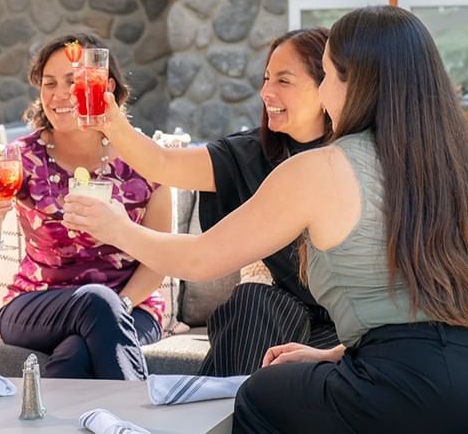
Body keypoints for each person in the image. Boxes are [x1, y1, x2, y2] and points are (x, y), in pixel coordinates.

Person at [64, 6, 468, 433]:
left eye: (326, 74)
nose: (324, 90)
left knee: (259, 394)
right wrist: (336, 355)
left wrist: (116, 228)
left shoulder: (324, 167)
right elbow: (435, 308)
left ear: (354, 81)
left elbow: (201, 259)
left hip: (419, 388)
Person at [92, 28, 338, 376]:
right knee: (253, 303)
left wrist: (119, 229)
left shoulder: (354, 159)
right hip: (279, 317)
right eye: (266, 78)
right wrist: (112, 123)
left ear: (327, 87)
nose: (267, 92)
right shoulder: (250, 154)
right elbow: (164, 164)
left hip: (346, 328)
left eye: (284, 80)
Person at [0, 32, 172, 380]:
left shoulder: (146, 159)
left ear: (105, 86)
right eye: (48, 83)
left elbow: (161, 257)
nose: (58, 94)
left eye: (73, 81)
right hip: (34, 305)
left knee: (77, 352)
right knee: (97, 302)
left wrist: (119, 308)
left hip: (132, 305)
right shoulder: (20, 158)